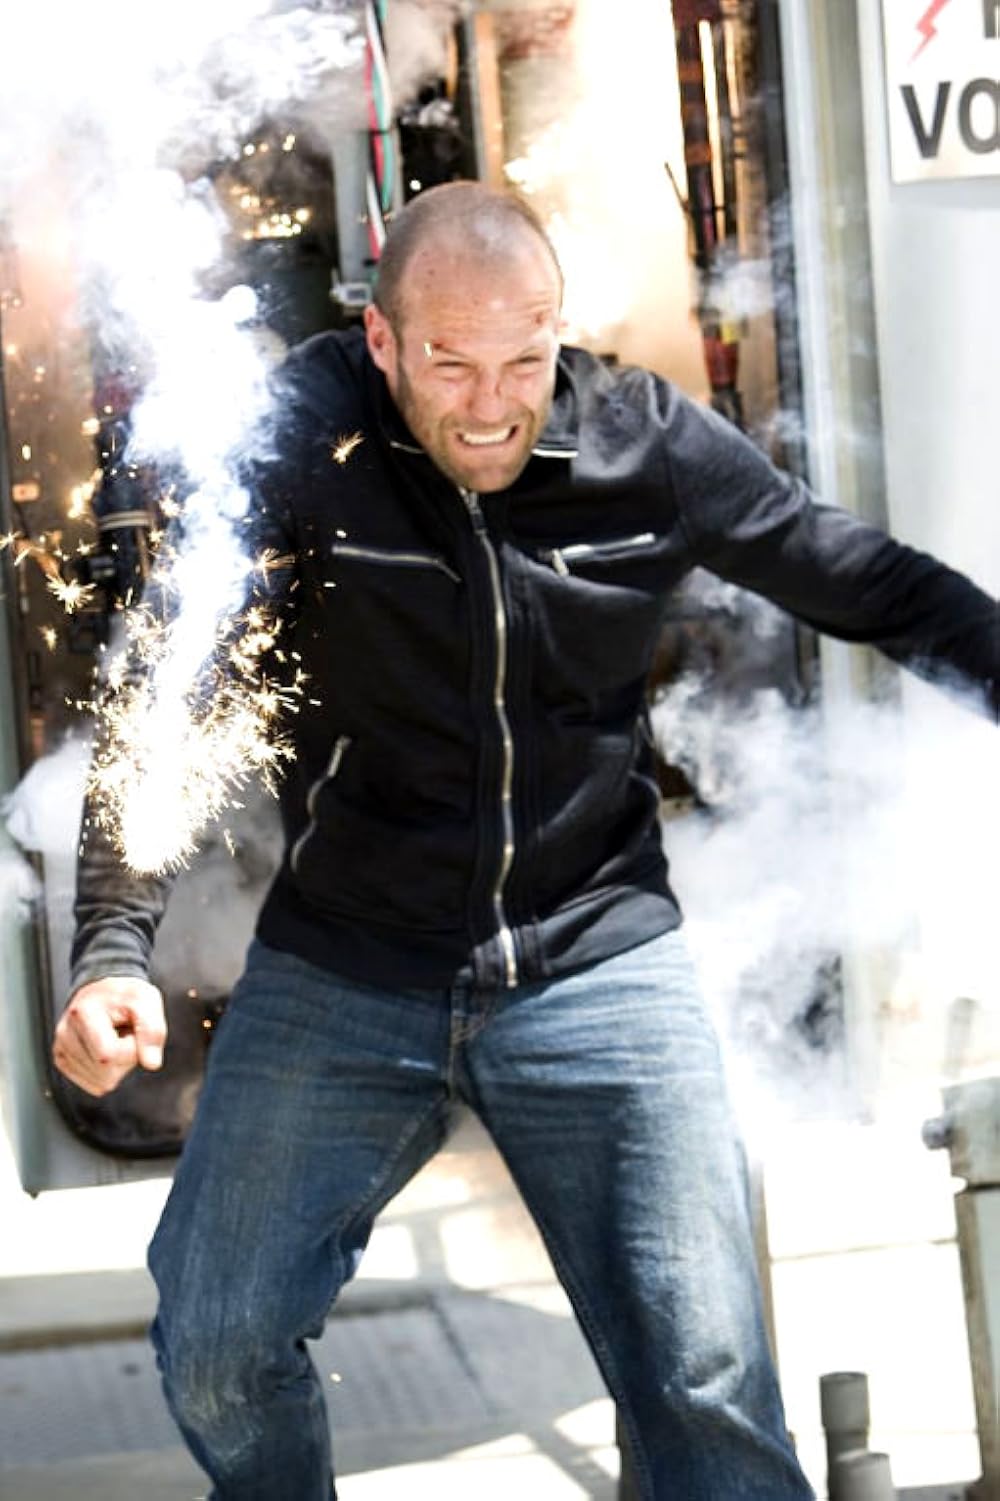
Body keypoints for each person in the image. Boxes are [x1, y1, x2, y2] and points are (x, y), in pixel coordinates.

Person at [53, 182, 997, 1501]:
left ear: (559, 326)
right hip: (348, 962)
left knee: (706, 1373)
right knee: (216, 1337)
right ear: (381, 341)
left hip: (595, 952)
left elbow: (862, 576)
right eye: (450, 365)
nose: (493, 403)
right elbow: (171, 683)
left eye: (524, 358)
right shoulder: (300, 437)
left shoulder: (641, 438)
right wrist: (113, 947)